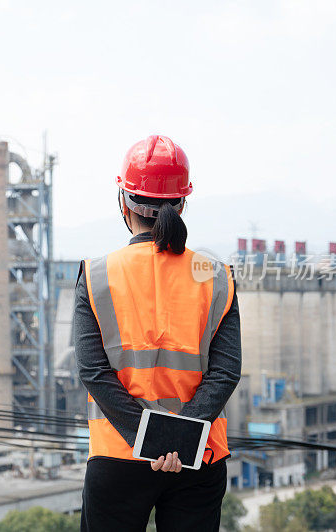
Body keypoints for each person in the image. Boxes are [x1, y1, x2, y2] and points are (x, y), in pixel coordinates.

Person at [74, 136, 242, 531]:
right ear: (183, 203)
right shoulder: (216, 276)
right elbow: (226, 372)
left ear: (123, 201)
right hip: (199, 458)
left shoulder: (97, 274)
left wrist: (147, 439)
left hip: (119, 454)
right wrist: (179, 442)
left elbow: (94, 373)